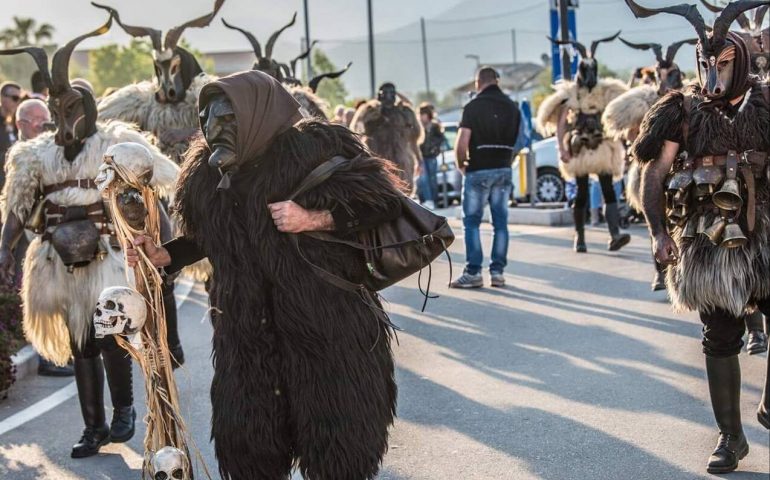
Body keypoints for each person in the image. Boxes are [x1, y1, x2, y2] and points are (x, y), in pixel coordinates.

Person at [126, 69, 403, 480]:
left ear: (255, 115)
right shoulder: (207, 175)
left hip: (326, 328)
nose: (216, 133)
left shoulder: (318, 148)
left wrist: (314, 218)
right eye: (211, 124)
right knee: (248, 446)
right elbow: (208, 236)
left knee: (337, 448)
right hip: (246, 334)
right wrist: (165, 254)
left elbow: (383, 204)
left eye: (226, 123)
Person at [0, 18, 179, 459]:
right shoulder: (35, 155)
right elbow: (18, 208)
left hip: (107, 258)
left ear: (90, 109)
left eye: (72, 108)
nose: (64, 118)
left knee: (108, 331)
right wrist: (5, 247)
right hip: (59, 261)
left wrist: (164, 236)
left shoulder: (116, 142)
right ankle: (93, 428)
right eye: (57, 109)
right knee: (80, 342)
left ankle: (124, 412)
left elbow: (160, 179)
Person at [627, 0, 770, 473]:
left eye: (723, 64)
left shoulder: (767, 103)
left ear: (742, 60)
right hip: (708, 244)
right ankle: (731, 438)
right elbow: (655, 172)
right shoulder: (681, 110)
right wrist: (657, 233)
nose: (714, 74)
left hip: (767, 233)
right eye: (706, 64)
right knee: (719, 336)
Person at [537, 33, 630, 253]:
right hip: (579, 147)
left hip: (602, 145)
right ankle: (579, 237)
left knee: (608, 189)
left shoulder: (607, 91)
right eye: (585, 69)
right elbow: (560, 123)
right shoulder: (571, 93)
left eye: (592, 68)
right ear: (581, 70)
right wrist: (561, 149)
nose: (589, 73)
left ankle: (614, 234)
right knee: (581, 192)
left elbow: (618, 112)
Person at [13, 99, 72, 377]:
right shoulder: (20, 154)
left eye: (45, 119)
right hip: (26, 236)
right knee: (39, 299)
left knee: (58, 297)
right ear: (21, 124)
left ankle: (61, 354)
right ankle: (46, 356)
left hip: (53, 236)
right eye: (35, 120)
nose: (42, 125)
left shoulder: (52, 150)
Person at [450, 67, 519, 289]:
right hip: (503, 168)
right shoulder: (512, 107)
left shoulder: (472, 107)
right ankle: (497, 273)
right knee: (500, 223)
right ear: (497, 81)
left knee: (471, 222)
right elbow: (520, 141)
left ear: (478, 82)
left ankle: (473, 272)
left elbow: (461, 143)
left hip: (478, 169)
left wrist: (462, 165)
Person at [351, 82, 423, 193]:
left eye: (391, 93)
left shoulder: (405, 113)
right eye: (386, 93)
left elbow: (414, 139)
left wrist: (419, 160)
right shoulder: (370, 112)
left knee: (404, 194)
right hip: (378, 163)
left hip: (401, 163)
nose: (388, 96)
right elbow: (357, 134)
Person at [418, 102, 446, 210]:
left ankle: (434, 201)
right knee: (423, 179)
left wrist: (435, 147)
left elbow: (442, 138)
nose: (421, 116)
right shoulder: (419, 127)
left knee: (432, 179)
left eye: (423, 114)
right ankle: (428, 200)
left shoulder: (434, 126)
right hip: (421, 156)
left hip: (432, 156)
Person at [0, 82, 21, 162]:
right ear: (2, 97)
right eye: (15, 98)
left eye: (20, 99)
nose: (18, 102)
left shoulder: (19, 122)